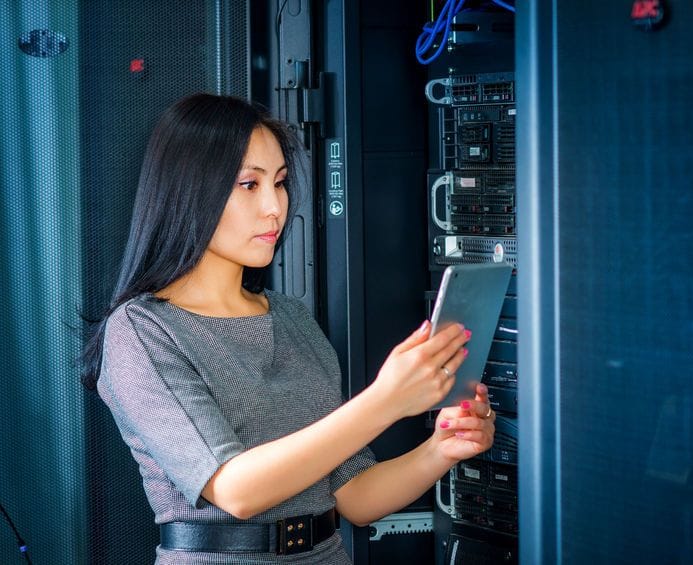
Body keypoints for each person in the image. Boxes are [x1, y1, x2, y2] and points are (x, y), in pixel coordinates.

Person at [80, 93, 496, 564]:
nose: (275, 207)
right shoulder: (142, 331)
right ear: (189, 190)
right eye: (248, 184)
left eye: (278, 183)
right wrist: (386, 400)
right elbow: (235, 488)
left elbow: (354, 496)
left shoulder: (291, 318)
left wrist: (441, 449)